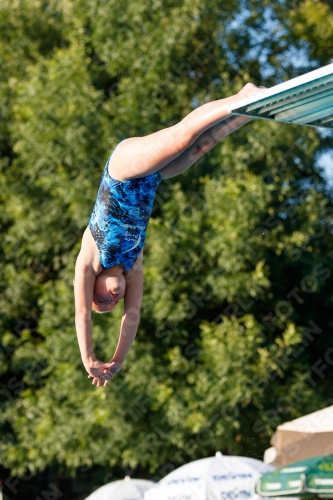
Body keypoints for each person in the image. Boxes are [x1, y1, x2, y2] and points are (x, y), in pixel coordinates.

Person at [74, 83, 267, 388]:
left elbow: (82, 313)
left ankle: (242, 99)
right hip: (150, 180)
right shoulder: (132, 266)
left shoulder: (89, 258)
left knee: (181, 137)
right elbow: (133, 315)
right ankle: (251, 108)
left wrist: (90, 359)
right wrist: (116, 362)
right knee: (205, 144)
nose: (112, 299)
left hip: (123, 171)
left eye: (102, 298)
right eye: (113, 304)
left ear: (92, 284)